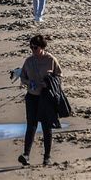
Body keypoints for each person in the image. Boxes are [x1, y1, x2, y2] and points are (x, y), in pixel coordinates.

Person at [18, 34, 62, 167]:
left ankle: (47, 157)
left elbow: (59, 76)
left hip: (46, 97)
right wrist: (28, 83)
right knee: (31, 126)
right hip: (32, 97)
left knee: (46, 127)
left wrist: (48, 83)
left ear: (42, 47)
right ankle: (26, 155)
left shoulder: (50, 60)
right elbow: (23, 78)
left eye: (35, 47)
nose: (33, 50)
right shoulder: (28, 61)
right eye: (31, 47)